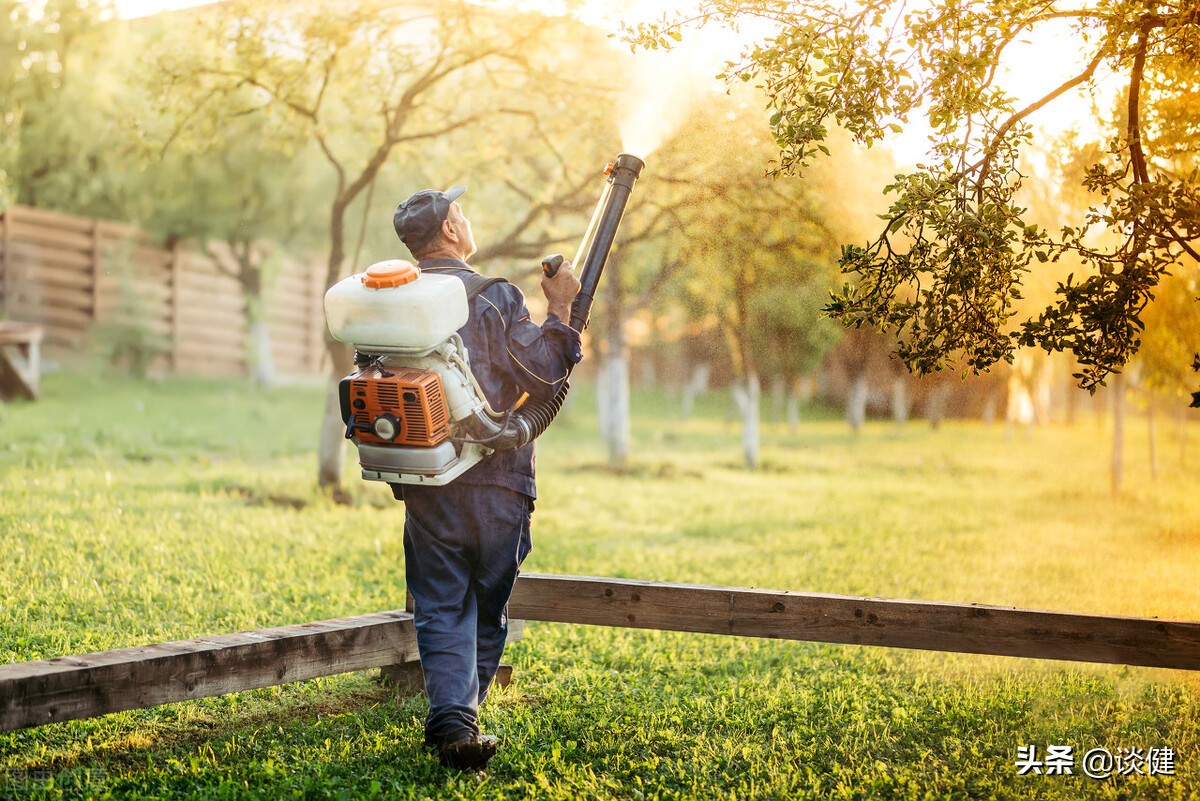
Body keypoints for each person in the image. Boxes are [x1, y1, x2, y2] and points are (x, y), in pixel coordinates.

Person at [390, 185, 582, 771]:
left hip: (429, 484)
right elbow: (546, 376)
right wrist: (563, 310)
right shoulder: (493, 296)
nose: (467, 219)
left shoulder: (395, 300)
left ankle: (454, 720)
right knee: (487, 604)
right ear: (450, 230)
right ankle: (459, 722)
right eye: (462, 213)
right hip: (498, 484)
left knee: (441, 604)